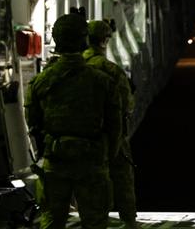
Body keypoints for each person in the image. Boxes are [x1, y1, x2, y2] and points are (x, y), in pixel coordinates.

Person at [25, 13, 122, 229]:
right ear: (83, 40)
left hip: (55, 162)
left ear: (57, 41)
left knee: (51, 222)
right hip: (92, 163)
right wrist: (107, 157)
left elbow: (32, 123)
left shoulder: (40, 82)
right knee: (95, 222)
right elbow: (115, 127)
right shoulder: (103, 81)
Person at [83, 20, 138, 229]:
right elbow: (128, 105)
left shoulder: (75, 68)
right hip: (109, 136)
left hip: (79, 137)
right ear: (105, 41)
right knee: (122, 177)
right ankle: (128, 220)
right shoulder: (111, 70)